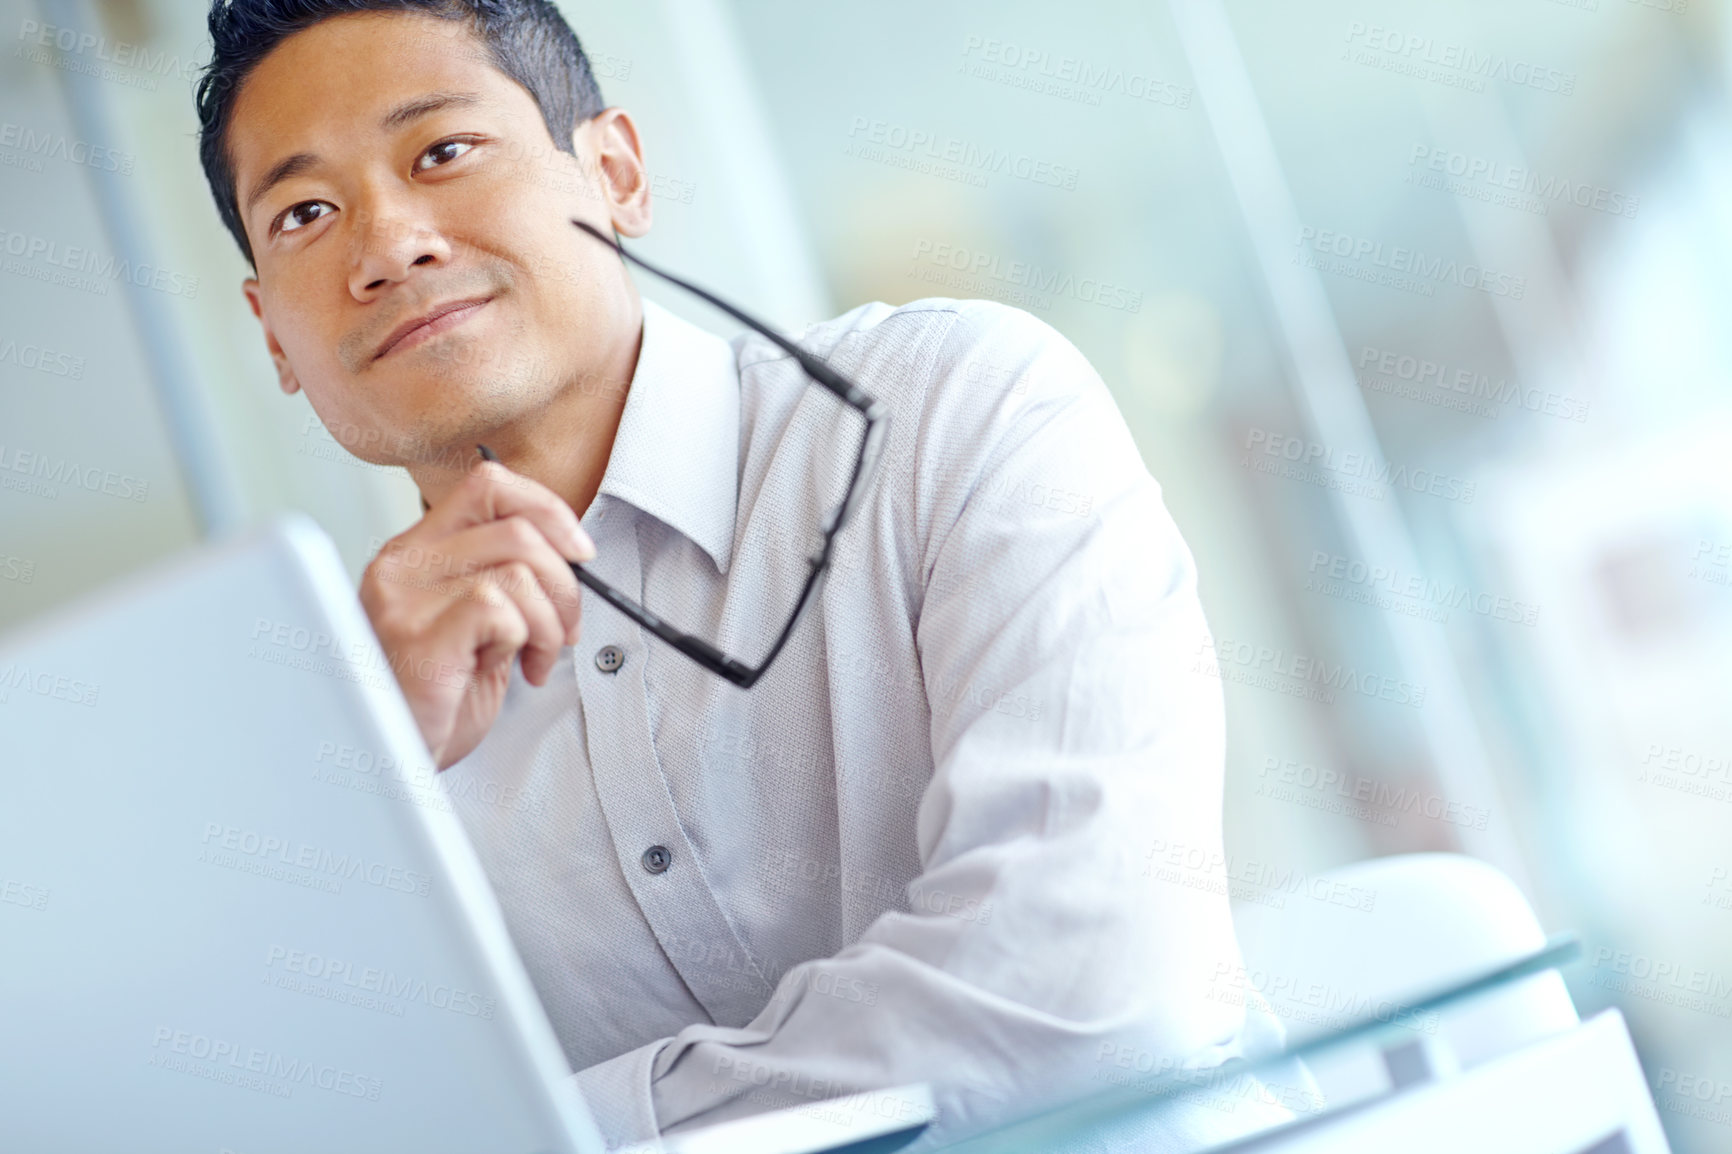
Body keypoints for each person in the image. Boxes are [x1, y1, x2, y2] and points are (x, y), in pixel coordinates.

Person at [194, 1, 1293, 1147]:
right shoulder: (334, 737)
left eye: (443, 151)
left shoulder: (955, 408)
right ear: (272, 333)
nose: (387, 247)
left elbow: (1084, 992)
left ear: (614, 173)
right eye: (306, 212)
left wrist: (569, 1127)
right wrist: (368, 783)